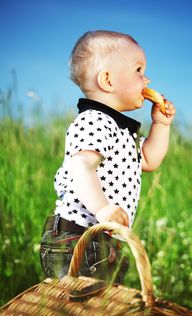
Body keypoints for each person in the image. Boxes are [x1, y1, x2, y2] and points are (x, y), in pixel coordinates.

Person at [40, 30, 176, 283]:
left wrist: (161, 125)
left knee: (101, 311)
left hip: (99, 240)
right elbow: (81, 166)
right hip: (78, 238)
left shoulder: (119, 128)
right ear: (108, 80)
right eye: (138, 70)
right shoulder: (95, 121)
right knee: (87, 311)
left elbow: (149, 160)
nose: (146, 79)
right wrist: (103, 208)